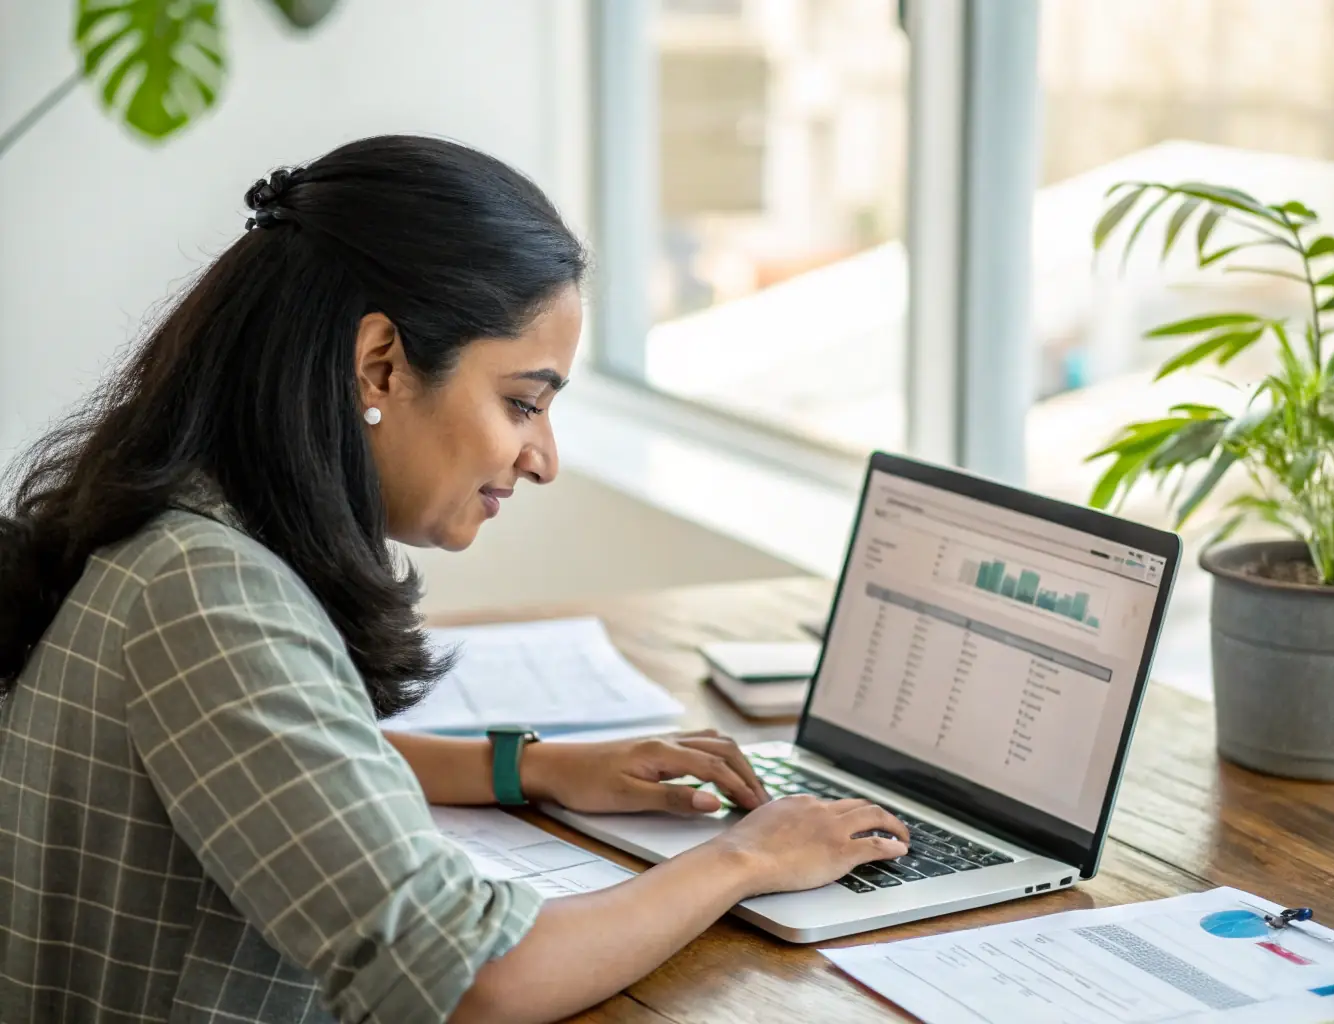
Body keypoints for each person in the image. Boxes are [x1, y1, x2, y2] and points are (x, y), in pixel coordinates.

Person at [0, 135, 909, 1024]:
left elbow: (272, 763)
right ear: (382, 364)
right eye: (523, 402)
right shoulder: (210, 594)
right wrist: (747, 858)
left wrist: (534, 767)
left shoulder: (186, 535)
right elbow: (475, 981)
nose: (542, 458)